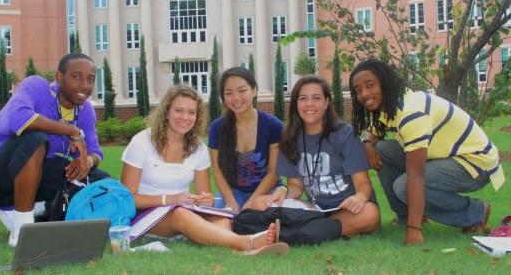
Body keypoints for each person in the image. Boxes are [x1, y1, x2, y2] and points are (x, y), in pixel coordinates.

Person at [349, 58, 506, 245]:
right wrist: (367, 143)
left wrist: (414, 230)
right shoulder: (390, 106)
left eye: (369, 85)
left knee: (404, 186)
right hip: (447, 157)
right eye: (358, 90)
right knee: (382, 149)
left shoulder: (410, 112)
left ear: (384, 82)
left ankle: (475, 212)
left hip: (476, 162)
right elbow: (375, 131)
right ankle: (405, 214)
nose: (364, 94)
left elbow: (416, 175)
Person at [0, 53, 110, 247]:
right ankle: (22, 231)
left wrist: (86, 162)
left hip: (32, 173)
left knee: (101, 178)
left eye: (90, 79)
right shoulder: (36, 86)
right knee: (35, 139)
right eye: (76, 76)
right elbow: (18, 117)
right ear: (59, 77)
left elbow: (95, 152)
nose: (84, 85)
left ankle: (45, 214)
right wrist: (71, 130)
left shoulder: (85, 111)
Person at [120, 85, 288, 254]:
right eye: (178, 110)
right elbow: (127, 199)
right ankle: (246, 242)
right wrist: (168, 199)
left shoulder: (198, 148)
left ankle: (237, 251)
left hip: (182, 209)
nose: (185, 117)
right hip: (145, 215)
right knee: (181, 215)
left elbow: (205, 197)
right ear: (166, 112)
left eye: (191, 112)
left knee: (221, 216)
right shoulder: (142, 142)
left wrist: (205, 200)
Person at [263, 75, 380, 237]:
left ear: (326, 103)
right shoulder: (290, 137)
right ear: (296, 104)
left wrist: (360, 197)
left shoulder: (344, 134)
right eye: (303, 98)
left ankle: (303, 232)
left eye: (316, 98)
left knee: (370, 214)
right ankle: (316, 231)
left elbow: (363, 184)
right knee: (260, 203)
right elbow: (296, 186)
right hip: (315, 210)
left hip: (348, 210)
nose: (309, 104)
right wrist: (283, 191)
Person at [208, 67, 283, 211]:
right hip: (233, 193)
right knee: (218, 218)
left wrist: (250, 205)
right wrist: (232, 204)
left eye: (242, 90)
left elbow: (273, 173)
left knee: (271, 216)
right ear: (223, 97)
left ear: (254, 90)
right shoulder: (217, 128)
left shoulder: (273, 126)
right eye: (228, 93)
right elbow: (218, 172)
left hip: (266, 191)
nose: (236, 98)